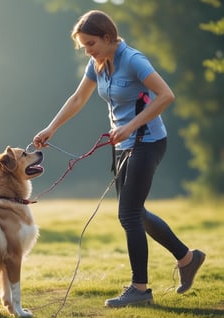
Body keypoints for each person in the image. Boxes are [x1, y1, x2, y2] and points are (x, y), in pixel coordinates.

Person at [33, 10, 205, 308]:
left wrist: (131, 126)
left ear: (108, 37)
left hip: (148, 142)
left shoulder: (133, 60)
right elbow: (77, 99)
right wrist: (51, 128)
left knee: (128, 214)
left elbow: (166, 95)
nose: (87, 50)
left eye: (90, 43)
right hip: (123, 144)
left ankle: (140, 289)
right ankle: (188, 258)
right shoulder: (97, 64)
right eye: (84, 46)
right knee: (134, 212)